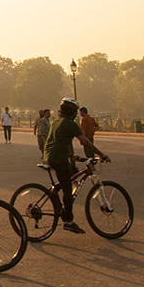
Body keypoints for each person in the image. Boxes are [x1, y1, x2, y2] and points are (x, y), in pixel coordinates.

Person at [44, 97, 110, 234]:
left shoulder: (56, 121)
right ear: (73, 113)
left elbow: (58, 141)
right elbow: (84, 141)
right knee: (68, 190)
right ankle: (68, 221)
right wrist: (100, 154)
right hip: (59, 159)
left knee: (73, 172)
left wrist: (71, 156)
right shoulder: (70, 124)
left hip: (52, 157)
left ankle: (55, 191)